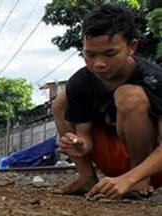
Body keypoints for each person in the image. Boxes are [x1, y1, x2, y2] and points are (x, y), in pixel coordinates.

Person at [52, 4, 162, 198]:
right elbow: (85, 137)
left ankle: (140, 181)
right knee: (61, 101)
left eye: (110, 54)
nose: (99, 64)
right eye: (90, 54)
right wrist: (77, 143)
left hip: (152, 166)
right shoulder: (82, 81)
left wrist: (132, 178)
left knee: (129, 96)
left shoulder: (154, 80)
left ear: (131, 47)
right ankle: (86, 177)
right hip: (114, 161)